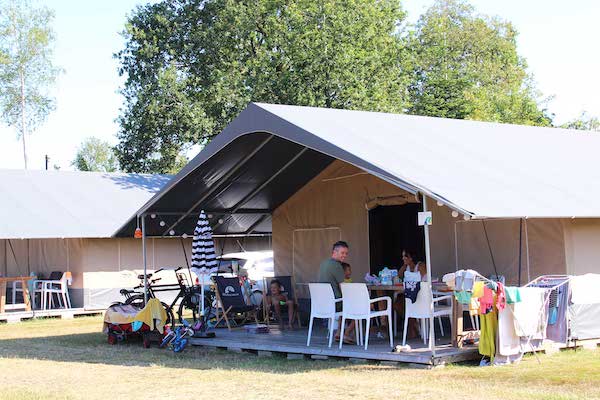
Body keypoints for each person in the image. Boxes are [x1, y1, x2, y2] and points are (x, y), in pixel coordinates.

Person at [318, 241, 355, 343]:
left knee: (348, 304)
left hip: (322, 303)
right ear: (334, 251)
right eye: (342, 253)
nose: (344, 256)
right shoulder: (337, 266)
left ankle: (338, 333)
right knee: (360, 308)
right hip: (335, 303)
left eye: (346, 253)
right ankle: (346, 334)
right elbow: (344, 288)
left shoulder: (323, 263)